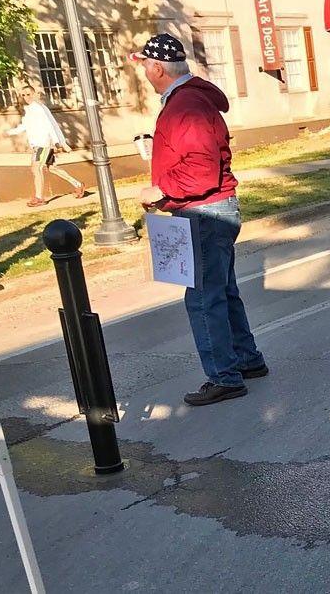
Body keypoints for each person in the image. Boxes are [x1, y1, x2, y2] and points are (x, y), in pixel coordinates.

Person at [132, 33, 267, 406]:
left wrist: (159, 189)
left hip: (204, 212)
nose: (143, 70)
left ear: (157, 68)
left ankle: (224, 376)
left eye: (144, 63)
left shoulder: (185, 106)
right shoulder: (189, 100)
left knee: (203, 299)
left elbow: (200, 171)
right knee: (222, 291)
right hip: (213, 209)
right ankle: (246, 360)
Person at [3, 85, 86, 207]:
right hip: (39, 144)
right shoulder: (29, 110)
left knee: (36, 168)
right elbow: (24, 126)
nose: (26, 97)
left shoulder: (39, 108)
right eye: (23, 95)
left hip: (42, 144)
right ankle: (78, 185)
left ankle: (39, 197)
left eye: (28, 94)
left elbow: (51, 125)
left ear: (34, 94)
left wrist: (60, 142)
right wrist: (9, 132)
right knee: (51, 167)